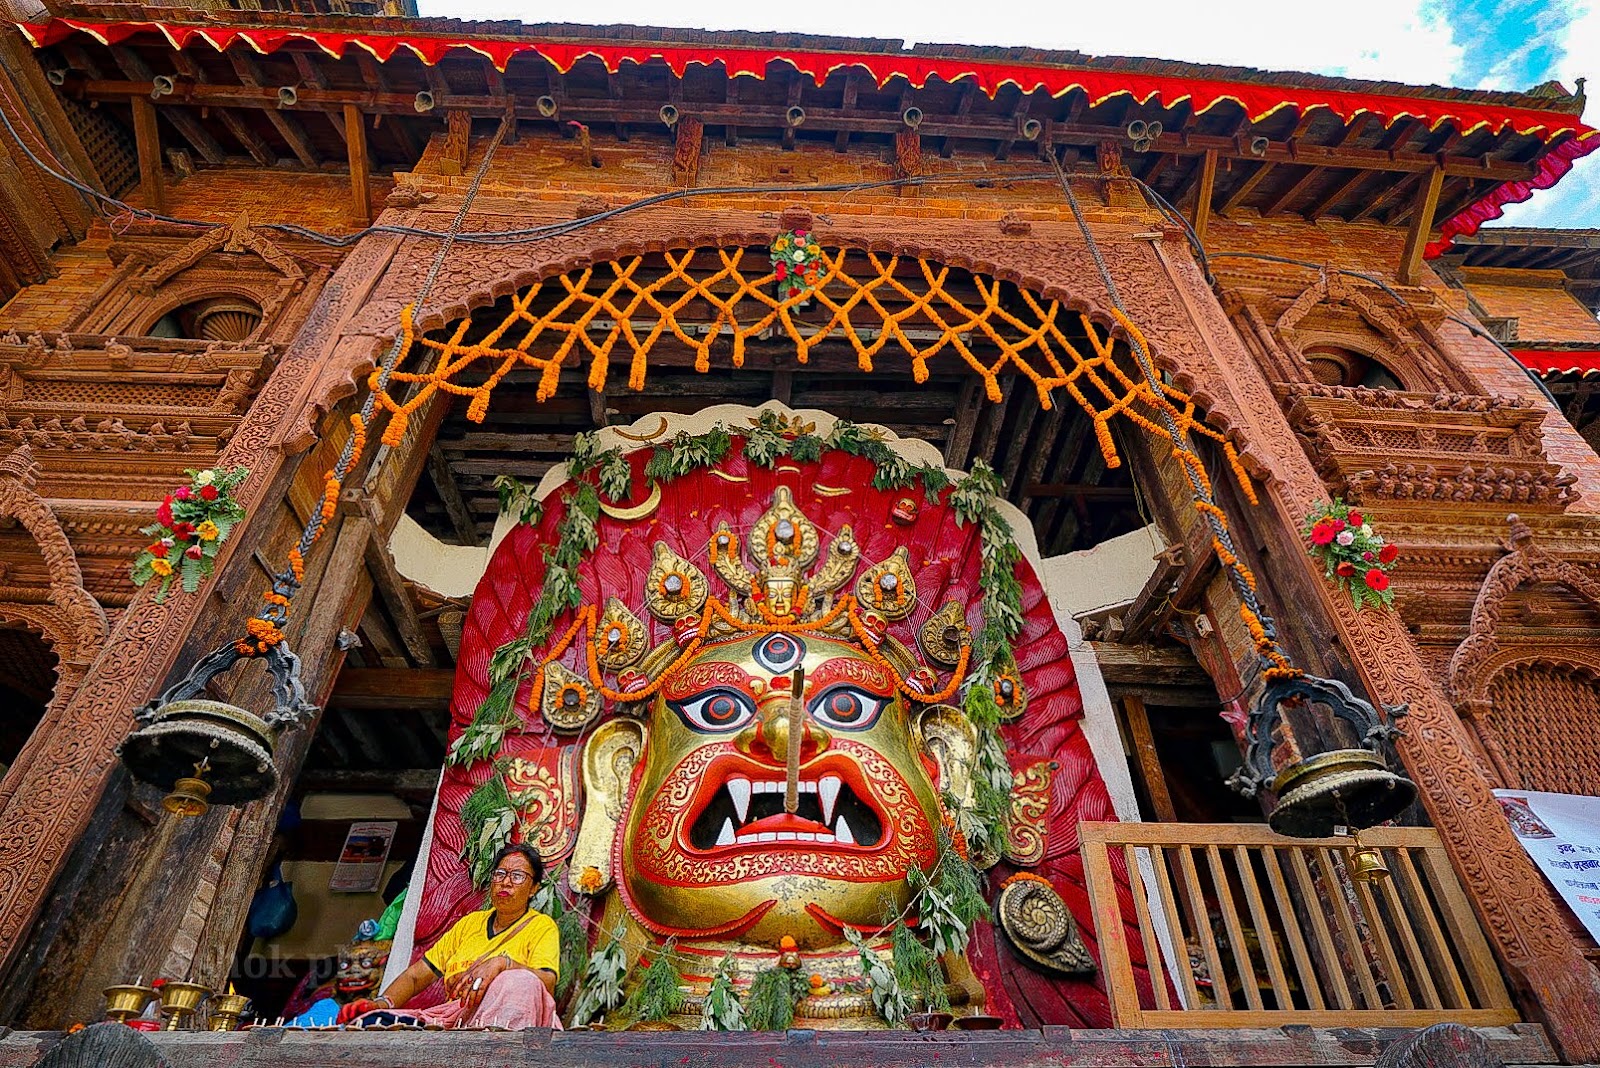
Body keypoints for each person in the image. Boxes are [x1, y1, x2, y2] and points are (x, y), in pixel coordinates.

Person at [336, 843, 561, 1029]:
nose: (506, 882)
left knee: (521, 982)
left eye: (518, 876)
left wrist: (503, 964)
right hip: (454, 1022)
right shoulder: (470, 924)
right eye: (500, 874)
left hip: (501, 1030)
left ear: (533, 888)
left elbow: (547, 981)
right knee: (370, 1022)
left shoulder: (541, 926)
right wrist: (382, 1003)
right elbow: (416, 976)